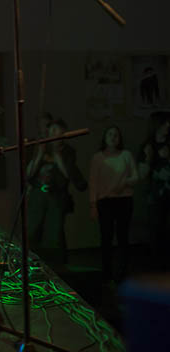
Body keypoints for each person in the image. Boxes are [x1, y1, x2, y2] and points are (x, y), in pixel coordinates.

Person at [27, 118, 87, 265]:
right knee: (33, 231)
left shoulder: (68, 151)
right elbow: (28, 174)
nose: (51, 133)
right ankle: (34, 263)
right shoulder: (40, 148)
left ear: (63, 132)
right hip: (38, 195)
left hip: (56, 196)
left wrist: (57, 156)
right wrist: (40, 153)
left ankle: (56, 266)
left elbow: (69, 174)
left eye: (55, 130)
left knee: (54, 233)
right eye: (50, 130)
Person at [89, 125, 138, 283]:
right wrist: (93, 205)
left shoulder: (126, 155)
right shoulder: (98, 157)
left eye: (116, 134)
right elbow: (93, 183)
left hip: (124, 200)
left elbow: (135, 177)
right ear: (104, 137)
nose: (113, 137)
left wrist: (123, 183)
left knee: (123, 237)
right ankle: (107, 272)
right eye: (110, 134)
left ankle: (124, 271)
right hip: (105, 201)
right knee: (106, 238)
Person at [139, 111, 170, 268]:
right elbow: (141, 175)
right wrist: (149, 159)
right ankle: (157, 266)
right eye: (164, 123)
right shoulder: (148, 146)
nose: (168, 126)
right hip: (155, 195)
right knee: (156, 230)